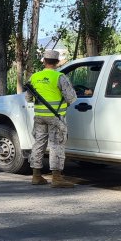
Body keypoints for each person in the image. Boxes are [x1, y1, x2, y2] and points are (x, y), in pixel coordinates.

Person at [26, 50, 78, 188]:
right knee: (56, 145)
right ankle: (56, 178)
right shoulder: (59, 77)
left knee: (39, 143)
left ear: (44, 61)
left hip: (39, 117)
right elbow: (71, 98)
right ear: (57, 62)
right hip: (56, 117)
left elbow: (28, 98)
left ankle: (36, 176)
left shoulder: (34, 77)